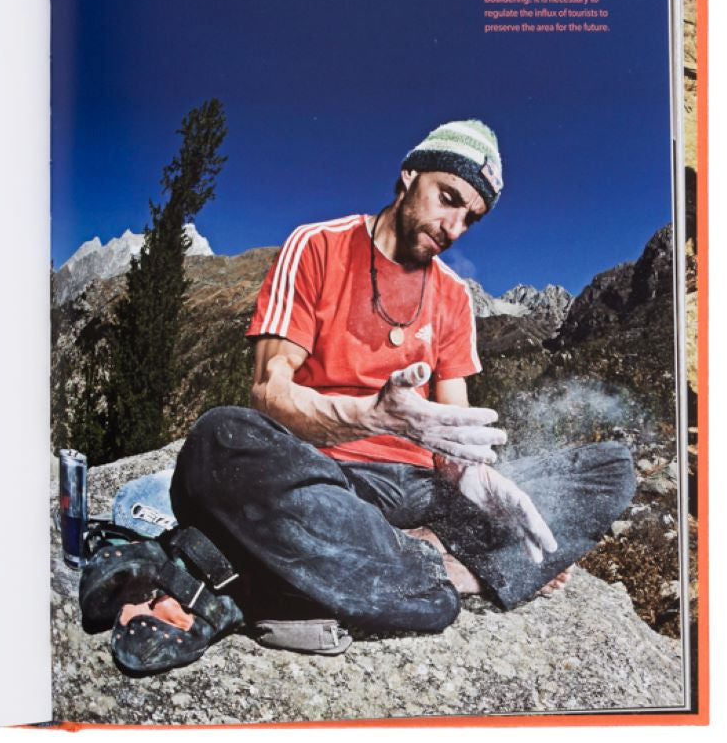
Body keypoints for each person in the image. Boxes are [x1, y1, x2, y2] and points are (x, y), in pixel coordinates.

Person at [133, 120, 635, 662]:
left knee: (610, 468)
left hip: (423, 491)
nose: (455, 227)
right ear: (409, 174)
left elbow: (453, 424)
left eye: (471, 217)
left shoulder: (454, 299)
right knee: (221, 437)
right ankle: (444, 571)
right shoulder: (317, 247)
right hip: (326, 478)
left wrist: (475, 476)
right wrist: (374, 415)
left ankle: (335, 567)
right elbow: (269, 391)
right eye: (448, 199)